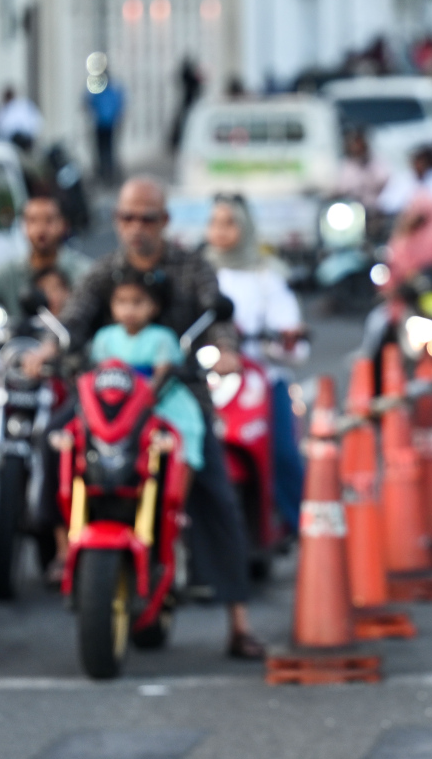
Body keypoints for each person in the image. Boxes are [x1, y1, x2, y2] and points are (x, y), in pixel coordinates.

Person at [24, 176, 267, 660]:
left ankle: (237, 622)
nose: (137, 227)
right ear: (116, 221)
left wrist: (224, 350)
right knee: (54, 438)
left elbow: (217, 319)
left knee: (216, 489)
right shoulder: (103, 272)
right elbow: (73, 320)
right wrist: (47, 348)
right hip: (107, 399)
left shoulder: (191, 268)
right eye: (128, 217)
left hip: (176, 396)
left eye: (148, 218)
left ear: (165, 222)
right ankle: (58, 544)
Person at [0, 195, 91, 551]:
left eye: (49, 219)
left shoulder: (81, 272)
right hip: (16, 378)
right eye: (33, 220)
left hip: (65, 380)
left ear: (63, 226)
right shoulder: (9, 272)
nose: (41, 228)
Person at [203, 195, 308, 537]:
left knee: (283, 456)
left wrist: (286, 338)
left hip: (260, 381)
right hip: (207, 380)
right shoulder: (198, 272)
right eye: (215, 222)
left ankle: (305, 528)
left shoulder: (267, 277)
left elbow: (291, 339)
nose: (220, 231)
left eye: (229, 223)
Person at [90, 270, 205, 471]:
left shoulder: (162, 338)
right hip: (115, 401)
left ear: (154, 307)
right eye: (121, 302)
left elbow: (162, 375)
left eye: (137, 302)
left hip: (158, 400)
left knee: (188, 430)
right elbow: (98, 373)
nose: (129, 309)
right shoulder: (105, 337)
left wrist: (145, 396)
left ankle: (179, 486)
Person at [378, 145, 432, 217]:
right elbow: (386, 203)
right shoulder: (404, 178)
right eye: (417, 161)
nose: (419, 165)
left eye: (422, 161)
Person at [335, 129, 391, 213]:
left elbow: (384, 180)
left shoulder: (375, 162)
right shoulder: (347, 166)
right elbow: (342, 188)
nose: (357, 147)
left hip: (378, 208)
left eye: (359, 143)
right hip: (355, 210)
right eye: (354, 144)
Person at [84, 74, 126, 183]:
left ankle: (105, 173)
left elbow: (88, 103)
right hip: (108, 124)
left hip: (102, 124)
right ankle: (108, 173)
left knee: (103, 150)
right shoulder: (113, 91)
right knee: (108, 150)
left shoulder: (98, 91)